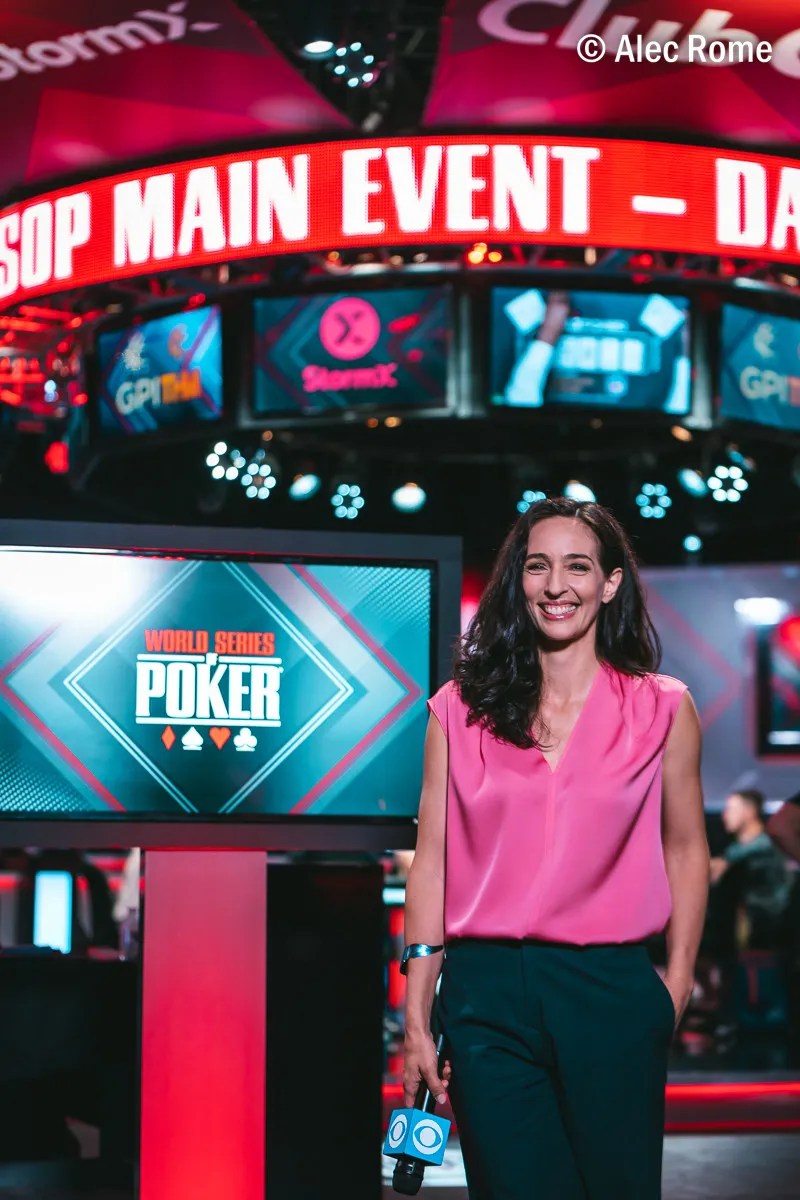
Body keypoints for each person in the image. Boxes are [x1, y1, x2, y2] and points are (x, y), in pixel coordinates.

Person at [402, 497, 709, 1200]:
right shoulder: (459, 709)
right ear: (519, 580)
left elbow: (687, 848)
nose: (556, 585)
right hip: (485, 995)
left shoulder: (663, 707)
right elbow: (433, 862)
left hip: (610, 990)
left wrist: (679, 979)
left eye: (578, 566)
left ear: (610, 583)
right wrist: (417, 1015)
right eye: (538, 566)